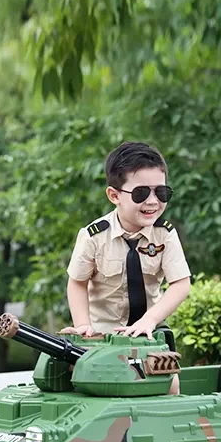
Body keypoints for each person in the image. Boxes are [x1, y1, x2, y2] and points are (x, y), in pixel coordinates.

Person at [63, 142, 191, 389]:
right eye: (141, 193)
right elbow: (77, 282)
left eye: (161, 192)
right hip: (102, 337)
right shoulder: (94, 236)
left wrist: (149, 320)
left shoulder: (165, 235)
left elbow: (181, 284)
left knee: (170, 385)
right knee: (84, 383)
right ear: (114, 196)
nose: (153, 201)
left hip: (149, 335)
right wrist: (82, 326)